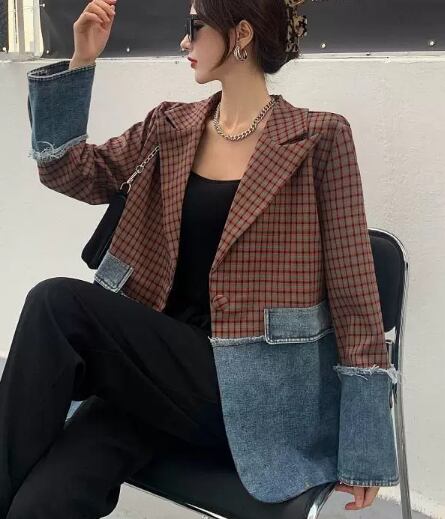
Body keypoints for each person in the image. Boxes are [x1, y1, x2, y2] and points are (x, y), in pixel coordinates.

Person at [0, 0, 399, 516]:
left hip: (251, 395)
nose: (184, 41)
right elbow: (69, 171)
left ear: (241, 34)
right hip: (154, 376)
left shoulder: (318, 139)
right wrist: (81, 62)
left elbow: (354, 295)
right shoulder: (171, 126)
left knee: (56, 303)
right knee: (40, 503)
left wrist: (365, 450)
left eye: (195, 26)